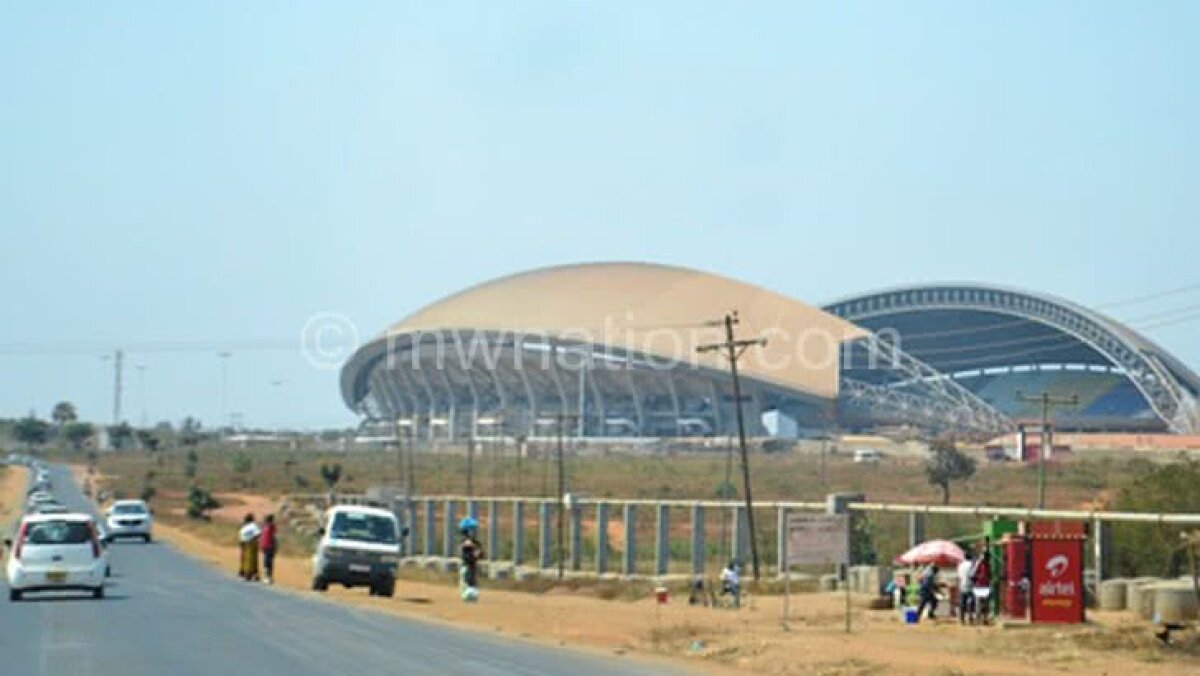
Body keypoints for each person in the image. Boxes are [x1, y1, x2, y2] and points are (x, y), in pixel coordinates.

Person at [458, 517, 482, 602]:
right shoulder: (465, 543)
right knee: (468, 589)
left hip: (473, 567)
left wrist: (478, 553)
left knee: (473, 586)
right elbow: (466, 556)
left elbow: (480, 553)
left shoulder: (475, 543)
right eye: (473, 530)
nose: (475, 532)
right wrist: (475, 554)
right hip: (467, 567)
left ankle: (471, 597)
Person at [971, 543, 992, 625]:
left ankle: (983, 619)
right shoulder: (983, 564)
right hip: (981, 585)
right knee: (982, 604)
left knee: (981, 604)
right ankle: (982, 619)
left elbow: (973, 574)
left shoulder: (983, 564)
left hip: (981, 585)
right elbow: (973, 574)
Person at [238, 513, 261, 581]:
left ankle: (248, 574)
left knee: (248, 559)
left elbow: (258, 534)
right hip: (246, 544)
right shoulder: (248, 525)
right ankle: (246, 573)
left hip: (249, 543)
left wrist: (251, 539)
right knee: (247, 559)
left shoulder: (251, 526)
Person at [956, 550, 976, 624]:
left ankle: (962, 619)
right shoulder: (971, 564)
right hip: (970, 585)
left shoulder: (960, 565)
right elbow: (973, 575)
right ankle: (970, 618)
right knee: (971, 602)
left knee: (962, 603)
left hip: (962, 585)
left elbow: (959, 576)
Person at [260, 514, 278, 585]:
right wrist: (275, 546)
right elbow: (274, 536)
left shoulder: (264, 526)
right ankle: (268, 577)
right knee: (269, 562)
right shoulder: (272, 526)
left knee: (266, 561)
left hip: (264, 546)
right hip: (269, 546)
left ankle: (266, 577)